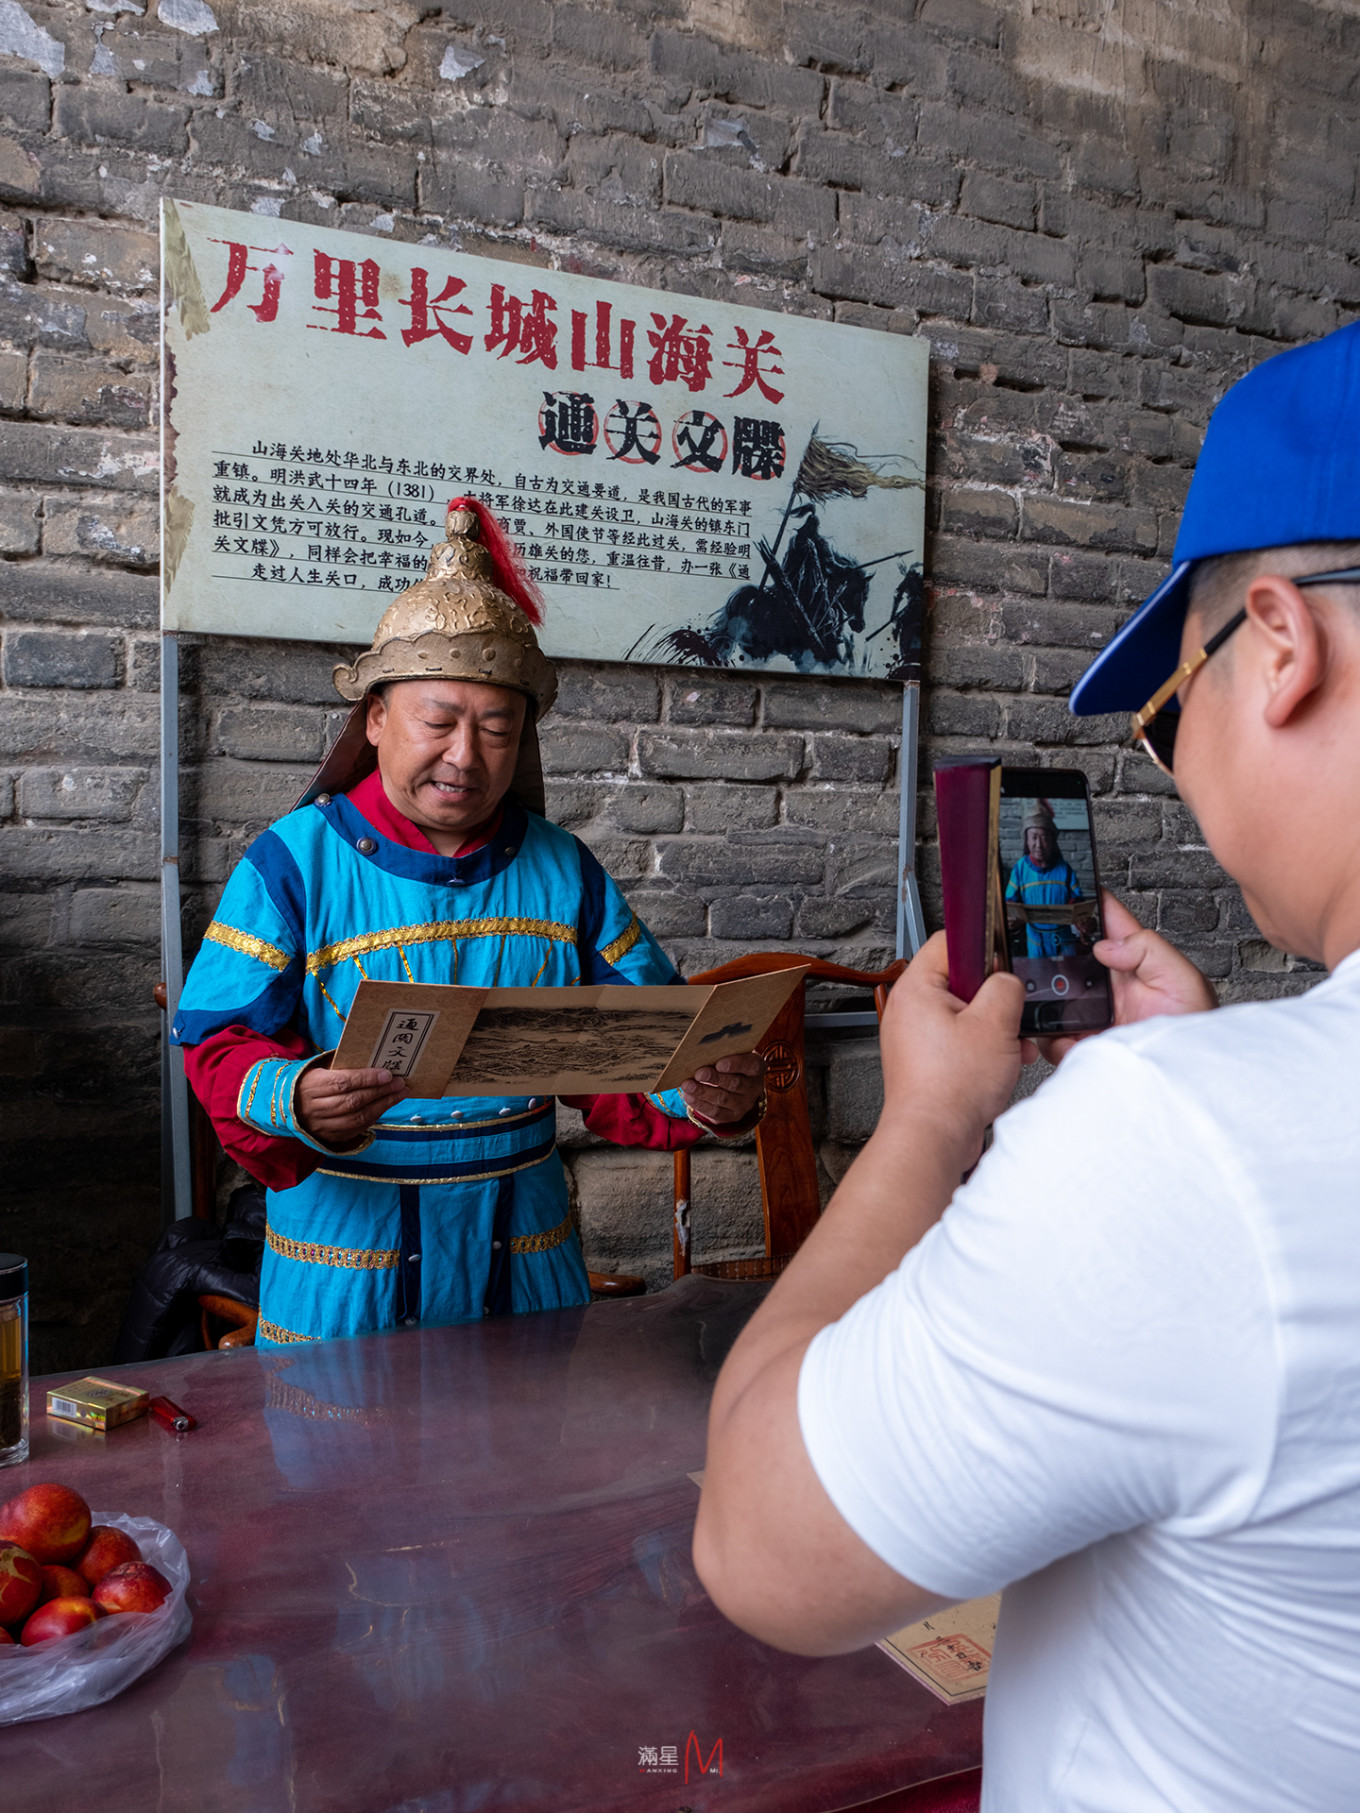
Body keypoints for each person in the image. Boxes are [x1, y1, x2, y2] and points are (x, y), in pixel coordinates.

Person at [694, 319, 1360, 1811]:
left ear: (1280, 648)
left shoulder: (1180, 1151)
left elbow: (760, 1547)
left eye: (1165, 717)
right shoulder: (1208, 1135)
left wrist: (930, 1119)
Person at [172, 499, 764, 1348]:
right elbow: (216, 1043)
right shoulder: (292, 863)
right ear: (376, 718)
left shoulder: (564, 871)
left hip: (526, 1264)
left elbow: (647, 1047)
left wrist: (706, 1088)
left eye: (495, 728)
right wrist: (293, 1094)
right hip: (346, 1271)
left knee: (528, 1437)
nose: (464, 756)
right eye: (438, 721)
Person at [1003, 801, 1083, 957]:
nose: (1038, 845)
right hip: (1035, 942)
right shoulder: (1020, 869)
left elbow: (1077, 902)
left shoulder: (1065, 869)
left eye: (1044, 838)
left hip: (1064, 941)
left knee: (1070, 970)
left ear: (1052, 841)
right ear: (1026, 841)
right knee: (1039, 970)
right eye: (1033, 837)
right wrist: (1011, 919)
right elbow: (1010, 902)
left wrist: (1082, 921)